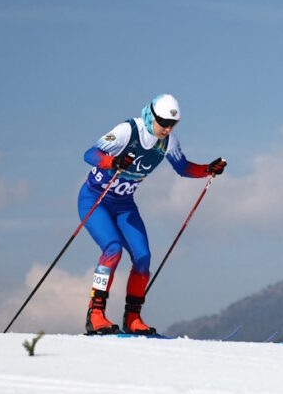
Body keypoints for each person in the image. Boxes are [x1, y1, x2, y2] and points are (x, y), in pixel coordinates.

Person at [80, 93, 227, 335]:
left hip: (124, 206)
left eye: (173, 124)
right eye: (163, 123)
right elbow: (90, 154)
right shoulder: (128, 131)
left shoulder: (168, 142)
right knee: (113, 249)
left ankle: (132, 318)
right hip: (95, 200)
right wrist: (113, 161)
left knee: (143, 257)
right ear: (151, 116)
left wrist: (207, 169)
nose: (167, 129)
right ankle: (95, 314)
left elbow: (183, 167)